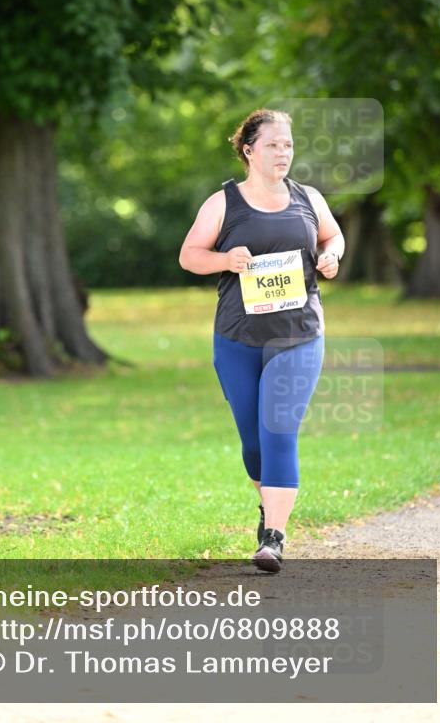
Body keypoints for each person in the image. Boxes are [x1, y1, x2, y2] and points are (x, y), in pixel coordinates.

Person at [178, 108, 345, 573]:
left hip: (299, 336)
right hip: (237, 339)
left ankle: (274, 537)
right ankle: (268, 508)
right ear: (249, 150)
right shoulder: (223, 203)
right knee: (253, 444)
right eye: (273, 144)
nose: (283, 152)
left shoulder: (308, 198)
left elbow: (333, 237)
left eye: (288, 144)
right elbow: (190, 256)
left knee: (278, 431)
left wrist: (331, 256)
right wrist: (226, 259)